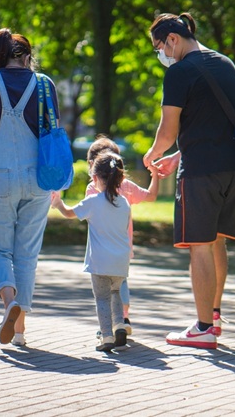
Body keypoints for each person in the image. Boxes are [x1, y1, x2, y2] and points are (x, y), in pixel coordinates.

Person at [142, 12, 235, 350]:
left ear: (172, 39)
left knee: (199, 246)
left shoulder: (180, 72)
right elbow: (217, 121)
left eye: (159, 47)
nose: (162, 55)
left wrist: (153, 154)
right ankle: (214, 316)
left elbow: (168, 131)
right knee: (217, 240)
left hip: (201, 173)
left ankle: (203, 328)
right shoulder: (226, 63)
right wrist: (178, 154)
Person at [0, 28, 61, 347]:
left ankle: (8, 303)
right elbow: (53, 135)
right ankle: (19, 331)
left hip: (0, 176)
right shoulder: (45, 84)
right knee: (26, 253)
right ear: (28, 57)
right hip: (38, 179)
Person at [50, 151, 133, 352]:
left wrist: (59, 203)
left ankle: (107, 337)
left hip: (100, 262)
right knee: (115, 293)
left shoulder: (93, 201)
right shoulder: (125, 203)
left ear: (95, 178)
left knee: (102, 298)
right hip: (121, 262)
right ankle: (119, 325)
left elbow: (70, 213)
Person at [85, 136, 160, 336]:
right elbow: (151, 196)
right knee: (120, 283)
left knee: (102, 292)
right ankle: (123, 319)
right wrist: (155, 176)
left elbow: (86, 215)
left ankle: (108, 329)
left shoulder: (92, 188)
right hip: (123, 248)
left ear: (93, 167)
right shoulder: (126, 186)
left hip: (100, 251)